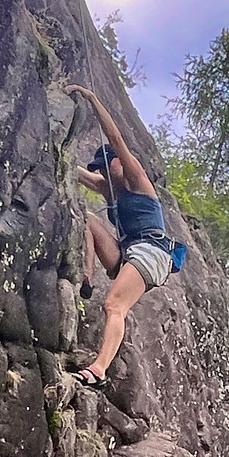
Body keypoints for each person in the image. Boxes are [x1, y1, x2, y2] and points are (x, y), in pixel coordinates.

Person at [66, 82, 181, 385]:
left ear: (117, 163)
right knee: (87, 219)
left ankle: (98, 370)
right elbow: (74, 170)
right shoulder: (108, 188)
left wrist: (92, 98)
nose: (104, 172)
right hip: (128, 253)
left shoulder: (136, 180)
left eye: (107, 166)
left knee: (114, 305)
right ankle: (87, 275)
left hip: (152, 252)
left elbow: (116, 138)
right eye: (100, 169)